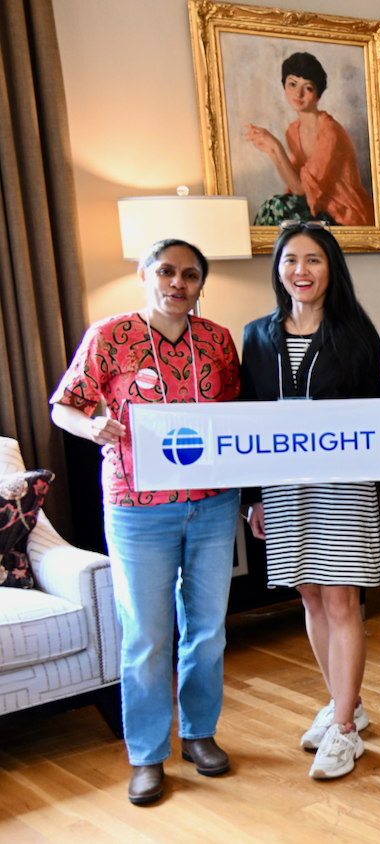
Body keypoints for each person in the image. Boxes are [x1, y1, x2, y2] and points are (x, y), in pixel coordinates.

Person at [50, 240, 242, 805]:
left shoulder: (217, 340)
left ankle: (200, 734)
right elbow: (66, 405)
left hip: (211, 501)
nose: (178, 283)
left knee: (207, 629)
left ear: (201, 284)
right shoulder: (109, 335)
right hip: (137, 505)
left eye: (189, 275)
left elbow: (234, 417)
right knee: (147, 636)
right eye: (166, 271)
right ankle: (147, 754)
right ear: (144, 275)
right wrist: (92, 428)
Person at [241, 222, 380, 779]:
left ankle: (345, 730)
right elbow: (246, 422)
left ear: (332, 270)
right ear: (278, 268)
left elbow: (379, 405)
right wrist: (252, 498)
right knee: (309, 597)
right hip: (282, 484)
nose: (301, 271)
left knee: (342, 600)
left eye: (314, 260)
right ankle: (342, 702)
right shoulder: (256, 335)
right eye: (290, 260)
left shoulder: (355, 332)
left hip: (343, 483)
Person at [244, 51, 375, 226]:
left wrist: (276, 148)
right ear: (284, 86)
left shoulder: (330, 132)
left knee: (276, 207)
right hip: (317, 208)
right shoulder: (293, 131)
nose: (298, 94)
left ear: (318, 95)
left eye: (308, 88)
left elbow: (300, 189)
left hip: (344, 214)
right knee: (272, 206)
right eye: (292, 84)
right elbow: (296, 183)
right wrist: (272, 151)